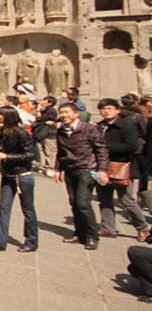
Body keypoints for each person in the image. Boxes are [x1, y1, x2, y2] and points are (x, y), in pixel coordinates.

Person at [55, 100, 108, 250]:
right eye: (61, 112)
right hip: (70, 170)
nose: (63, 115)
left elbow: (101, 150)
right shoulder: (61, 130)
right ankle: (79, 233)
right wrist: (58, 169)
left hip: (87, 170)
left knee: (83, 203)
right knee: (74, 202)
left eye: (67, 112)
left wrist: (102, 170)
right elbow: (60, 152)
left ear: (76, 114)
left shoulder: (89, 129)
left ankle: (92, 235)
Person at [95, 99, 151, 242]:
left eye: (109, 108)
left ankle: (142, 227)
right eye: (102, 108)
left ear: (117, 110)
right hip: (102, 167)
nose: (106, 111)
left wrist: (105, 148)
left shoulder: (126, 125)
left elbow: (132, 146)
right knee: (104, 198)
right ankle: (108, 227)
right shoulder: (99, 126)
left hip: (122, 166)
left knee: (126, 199)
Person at [0, 106, 39, 252]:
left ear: (9, 116)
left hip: (22, 176)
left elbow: (30, 155)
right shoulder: (3, 131)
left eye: (0, 115)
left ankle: (31, 241)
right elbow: (6, 150)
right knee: (4, 207)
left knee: (27, 209)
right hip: (8, 175)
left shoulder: (21, 133)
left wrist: (6, 156)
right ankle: (0, 240)